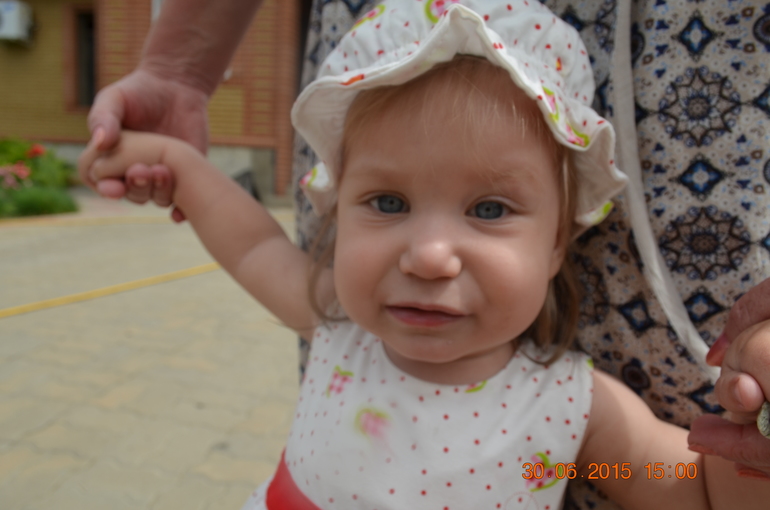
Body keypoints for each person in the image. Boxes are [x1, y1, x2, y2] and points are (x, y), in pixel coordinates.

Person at [79, 2, 770, 508]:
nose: (431, 256)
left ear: (558, 243)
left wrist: (756, 432)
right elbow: (256, 242)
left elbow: (694, 492)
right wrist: (176, 163)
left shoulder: (571, 409)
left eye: (489, 210)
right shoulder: (338, 329)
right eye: (387, 202)